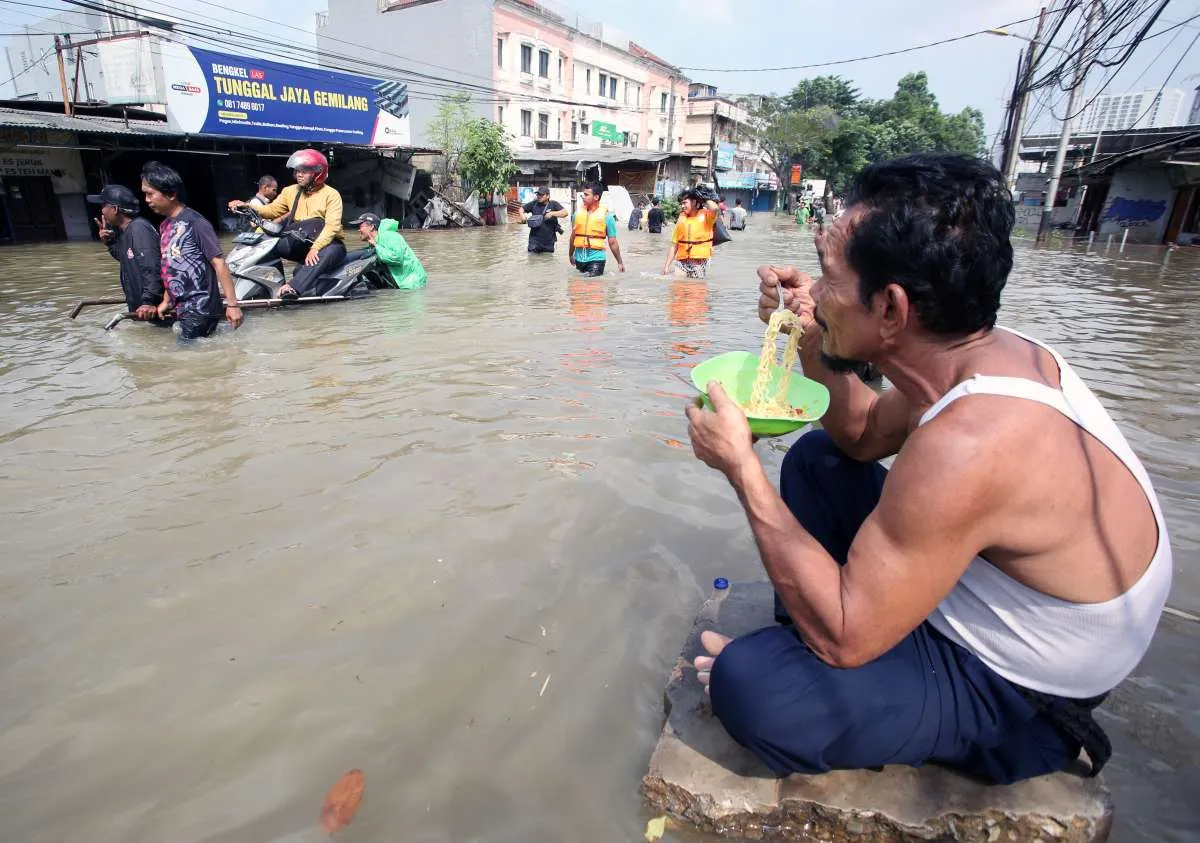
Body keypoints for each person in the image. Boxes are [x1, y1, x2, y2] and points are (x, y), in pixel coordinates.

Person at [684, 153, 1171, 786]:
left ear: (891, 309)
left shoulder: (973, 440)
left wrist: (740, 467)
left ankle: (1008, 744)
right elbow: (860, 436)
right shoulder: (977, 356)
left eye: (829, 279)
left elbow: (846, 640)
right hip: (976, 598)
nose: (815, 294)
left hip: (1020, 685)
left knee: (750, 688)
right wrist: (813, 332)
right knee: (819, 459)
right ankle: (814, 644)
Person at [141, 161, 243, 341]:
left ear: (171, 194)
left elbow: (219, 263)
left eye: (150, 194)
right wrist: (166, 301)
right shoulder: (165, 226)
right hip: (183, 308)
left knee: (188, 359)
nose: (147, 200)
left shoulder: (196, 223)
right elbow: (169, 268)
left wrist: (232, 305)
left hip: (201, 308)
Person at [228, 149, 344, 299]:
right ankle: (269, 285)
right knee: (268, 245)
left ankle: (292, 288)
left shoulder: (331, 194)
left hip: (329, 244)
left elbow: (332, 227)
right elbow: (271, 210)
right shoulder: (291, 191)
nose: (299, 174)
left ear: (317, 173)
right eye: (297, 171)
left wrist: (316, 248)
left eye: (304, 171)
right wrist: (245, 205)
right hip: (300, 240)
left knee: (327, 252)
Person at [88, 183, 163, 322]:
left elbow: (151, 267)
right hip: (142, 313)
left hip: (153, 312)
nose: (101, 210)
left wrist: (149, 301)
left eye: (103, 205)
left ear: (115, 209)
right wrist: (110, 243)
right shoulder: (128, 232)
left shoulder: (139, 229)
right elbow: (127, 259)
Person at [345, 212, 428, 290]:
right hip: (399, 282)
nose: (358, 230)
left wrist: (376, 246)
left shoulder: (390, 236)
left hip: (412, 284)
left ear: (371, 227)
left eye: (360, 226)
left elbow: (396, 258)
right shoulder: (375, 242)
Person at [569, 182, 625, 276]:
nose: (583, 197)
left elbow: (612, 242)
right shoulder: (577, 214)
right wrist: (570, 255)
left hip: (597, 260)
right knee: (577, 288)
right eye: (583, 194)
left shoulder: (608, 217)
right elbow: (573, 237)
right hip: (579, 259)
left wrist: (619, 262)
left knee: (592, 287)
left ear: (596, 197)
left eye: (586, 195)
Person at [662, 188, 718, 278]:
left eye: (685, 203)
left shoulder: (707, 217)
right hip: (681, 262)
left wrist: (704, 197)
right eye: (681, 203)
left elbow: (714, 208)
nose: (682, 206)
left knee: (695, 289)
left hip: (699, 262)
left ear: (695, 202)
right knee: (677, 287)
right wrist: (666, 266)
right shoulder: (681, 218)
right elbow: (674, 244)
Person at [522, 187, 568, 253]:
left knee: (548, 261)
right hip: (534, 242)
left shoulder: (553, 204)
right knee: (532, 261)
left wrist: (552, 213)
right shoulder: (534, 203)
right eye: (537, 194)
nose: (539, 196)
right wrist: (522, 216)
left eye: (541, 195)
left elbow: (565, 213)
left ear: (548, 196)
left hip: (549, 243)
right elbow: (521, 209)